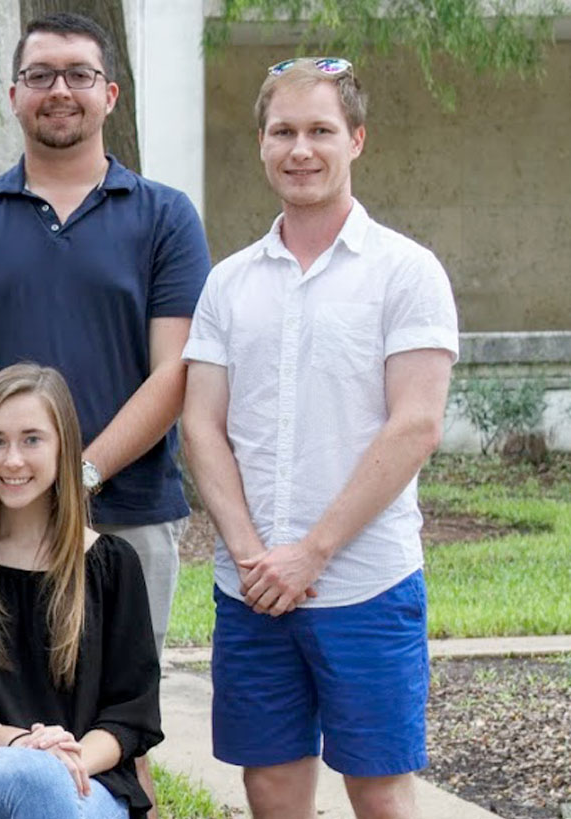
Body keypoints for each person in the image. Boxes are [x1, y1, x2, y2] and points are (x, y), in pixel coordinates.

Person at [181, 58, 456, 819]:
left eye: (320, 131)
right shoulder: (229, 283)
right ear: (263, 145)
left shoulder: (407, 273)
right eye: (283, 132)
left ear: (357, 140)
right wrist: (250, 552)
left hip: (366, 581)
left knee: (379, 790)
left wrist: (312, 550)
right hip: (252, 589)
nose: (300, 149)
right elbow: (201, 424)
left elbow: (416, 424)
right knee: (269, 786)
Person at [0, 11, 210, 668]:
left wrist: (74, 480)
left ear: (110, 94)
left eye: (80, 74)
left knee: (120, 724)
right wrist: (15, 479)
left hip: (128, 512)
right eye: (40, 75)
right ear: (14, 94)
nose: (60, 90)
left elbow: (175, 374)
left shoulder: (167, 217)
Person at [0, 363, 162, 819]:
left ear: (63, 446)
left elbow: (132, 714)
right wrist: (17, 743)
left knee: (55, 793)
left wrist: (68, 760)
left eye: (32, 439)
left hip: (87, 779)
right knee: (35, 780)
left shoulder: (112, 564)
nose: (12, 460)